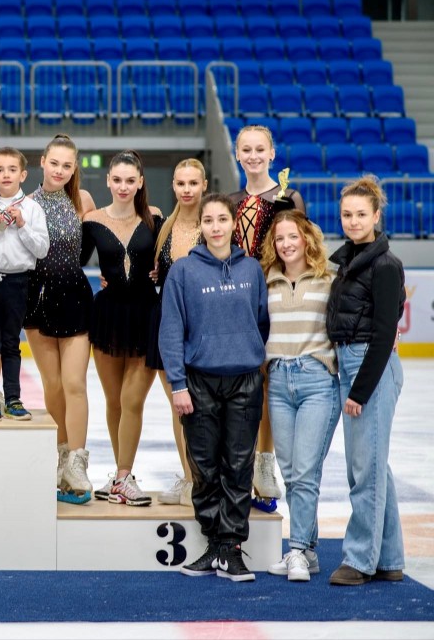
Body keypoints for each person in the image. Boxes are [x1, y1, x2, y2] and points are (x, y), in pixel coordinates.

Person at [159, 193, 269, 583]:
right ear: (200, 226)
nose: (216, 227)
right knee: (204, 468)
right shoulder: (184, 271)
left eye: (223, 219)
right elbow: (171, 330)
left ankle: (232, 549)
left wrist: (245, 352)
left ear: (233, 224)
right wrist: (178, 384)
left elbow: (261, 321)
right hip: (198, 381)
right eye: (209, 221)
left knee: (238, 467)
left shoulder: (251, 269)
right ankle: (213, 544)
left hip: (244, 381)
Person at [325, 177, 406, 586]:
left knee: (365, 470)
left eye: (361, 214)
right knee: (374, 466)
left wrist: (359, 391)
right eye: (347, 214)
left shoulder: (385, 265)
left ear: (376, 216)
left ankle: (359, 560)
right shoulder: (349, 261)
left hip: (369, 368)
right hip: (351, 362)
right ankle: (389, 558)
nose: (353, 221)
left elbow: (384, 333)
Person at [260, 210, 339, 583]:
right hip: (278, 381)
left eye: (293, 236)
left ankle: (295, 550)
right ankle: (307, 551)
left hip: (316, 381)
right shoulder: (267, 279)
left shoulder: (330, 278)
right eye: (279, 238)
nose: (286, 244)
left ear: (307, 238)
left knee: (305, 472)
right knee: (291, 473)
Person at [231, 124, 306, 510]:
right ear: (237, 154)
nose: (254, 156)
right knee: (239, 387)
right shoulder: (232, 201)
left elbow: (301, 250)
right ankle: (238, 465)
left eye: (260, 149)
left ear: (272, 153)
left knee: (266, 385)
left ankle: (264, 462)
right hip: (236, 304)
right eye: (246, 149)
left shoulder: (288, 197)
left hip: (274, 301)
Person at [83, 150, 162, 506]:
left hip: (146, 314)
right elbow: (75, 262)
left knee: (133, 400)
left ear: (141, 182)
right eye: (117, 180)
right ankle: (120, 476)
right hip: (108, 315)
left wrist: (160, 271)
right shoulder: (93, 220)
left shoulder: (156, 218)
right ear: (108, 181)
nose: (123, 186)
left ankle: (123, 476)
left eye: (130, 180)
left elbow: (169, 259)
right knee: (114, 401)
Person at [23, 134, 97, 503]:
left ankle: (78, 462)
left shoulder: (83, 200)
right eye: (54, 163)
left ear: (74, 168)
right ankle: (63, 455)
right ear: (42, 161)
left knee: (74, 383)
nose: (60, 170)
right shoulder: (26, 204)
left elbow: (92, 249)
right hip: (37, 300)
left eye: (67, 165)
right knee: (52, 385)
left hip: (75, 298)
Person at [0, 147, 49, 422]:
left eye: (12, 170)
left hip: (18, 282)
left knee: (11, 343)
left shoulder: (32, 210)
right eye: (0, 170)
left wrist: (23, 225)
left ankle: (13, 398)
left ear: (22, 175)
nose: (6, 175)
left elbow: (41, 250)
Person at [150, 159, 207, 507]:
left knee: (204, 408)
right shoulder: (163, 227)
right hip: (167, 324)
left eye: (193, 183)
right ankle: (189, 480)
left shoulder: (212, 225)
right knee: (179, 408)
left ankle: (204, 480)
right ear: (173, 185)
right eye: (181, 183)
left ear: (204, 185)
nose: (187, 190)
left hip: (203, 326)